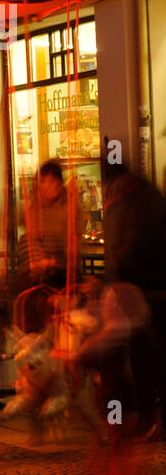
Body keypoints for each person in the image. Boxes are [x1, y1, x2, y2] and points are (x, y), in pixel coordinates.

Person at [101, 158, 166, 439]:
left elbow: (131, 248)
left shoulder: (133, 202)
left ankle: (151, 418)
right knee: (147, 356)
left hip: (147, 291)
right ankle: (149, 418)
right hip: (147, 289)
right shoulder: (145, 196)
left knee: (148, 357)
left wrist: (110, 279)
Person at [22, 160, 77, 289]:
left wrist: (52, 262)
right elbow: (30, 238)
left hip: (62, 276)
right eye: (43, 182)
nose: (47, 186)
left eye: (51, 181)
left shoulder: (69, 207)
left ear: (59, 183)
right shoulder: (34, 207)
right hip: (37, 277)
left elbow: (73, 246)